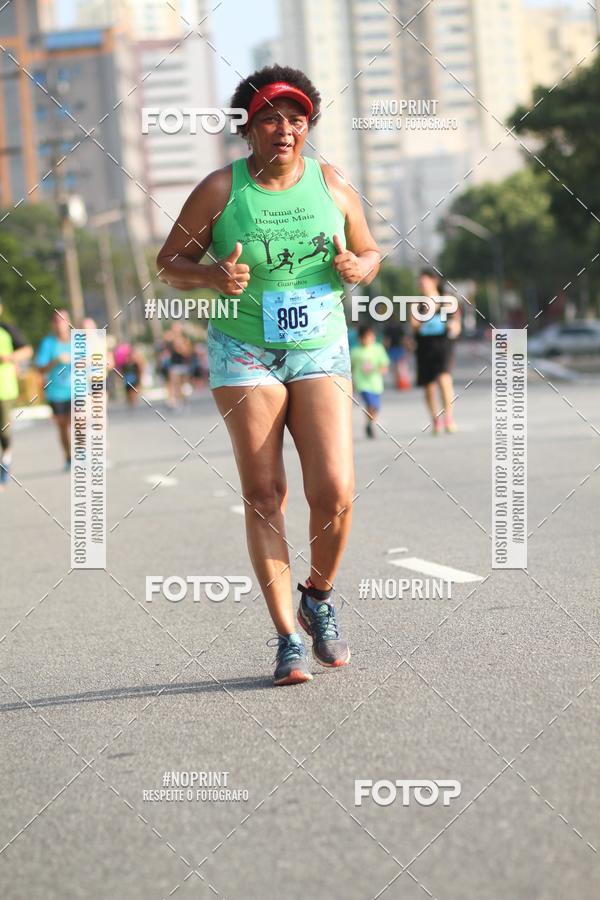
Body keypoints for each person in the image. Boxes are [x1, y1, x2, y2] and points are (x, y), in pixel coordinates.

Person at [157, 64, 380, 686]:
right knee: (264, 494)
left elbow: (370, 248)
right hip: (244, 349)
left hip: (318, 346)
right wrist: (210, 275)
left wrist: (361, 267)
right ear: (247, 128)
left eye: (297, 119)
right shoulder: (219, 190)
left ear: (309, 127)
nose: (285, 129)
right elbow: (168, 262)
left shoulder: (332, 184)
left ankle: (318, 596)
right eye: (270, 119)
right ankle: (287, 638)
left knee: (334, 491)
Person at [411, 268, 461, 434]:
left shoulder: (446, 301)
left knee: (444, 378)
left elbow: (456, 323)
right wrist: (426, 317)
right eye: (420, 282)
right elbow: (414, 326)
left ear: (434, 281)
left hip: (443, 344)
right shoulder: (416, 304)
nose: (421, 284)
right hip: (424, 345)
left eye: (424, 281)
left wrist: (453, 327)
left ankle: (449, 418)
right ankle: (436, 420)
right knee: (429, 386)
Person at [0, 302, 32, 489]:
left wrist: (9, 358)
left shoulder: (7, 330)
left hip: (4, 388)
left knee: (4, 431)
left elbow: (27, 350)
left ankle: (5, 462)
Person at [35, 310, 73, 468]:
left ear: (68, 322)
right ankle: (69, 456)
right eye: (57, 321)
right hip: (56, 393)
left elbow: (92, 360)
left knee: (79, 422)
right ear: (52, 324)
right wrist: (56, 361)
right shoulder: (48, 343)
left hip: (78, 390)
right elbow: (40, 368)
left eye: (63, 320)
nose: (60, 324)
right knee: (63, 426)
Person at [350, 325, 389, 438]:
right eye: (366, 337)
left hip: (376, 383)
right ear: (360, 338)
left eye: (371, 336)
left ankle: (369, 423)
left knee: (375, 407)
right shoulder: (355, 351)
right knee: (371, 403)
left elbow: (384, 363)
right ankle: (370, 423)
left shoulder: (378, 348)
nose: (369, 339)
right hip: (362, 384)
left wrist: (381, 369)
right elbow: (351, 367)